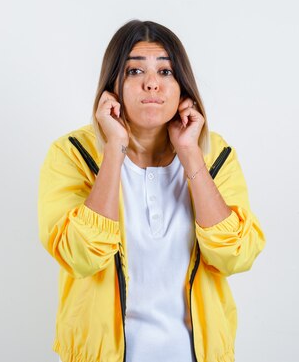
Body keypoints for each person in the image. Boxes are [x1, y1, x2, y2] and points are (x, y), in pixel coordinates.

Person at [38, 20, 266, 362]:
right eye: (134, 70)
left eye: (165, 71)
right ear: (112, 85)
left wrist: (190, 153)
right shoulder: (72, 154)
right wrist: (114, 146)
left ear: (182, 86)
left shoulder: (215, 156)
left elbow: (235, 255)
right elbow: (79, 255)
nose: (151, 84)